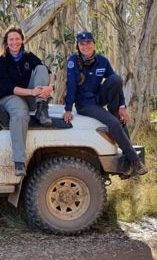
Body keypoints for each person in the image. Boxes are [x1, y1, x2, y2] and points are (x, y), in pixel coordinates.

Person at [63, 31, 148, 176]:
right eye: (82, 44)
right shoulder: (73, 61)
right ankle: (134, 160)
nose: (85, 46)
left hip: (98, 98)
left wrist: (122, 106)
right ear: (78, 46)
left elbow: (116, 84)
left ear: (94, 44)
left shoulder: (102, 61)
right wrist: (68, 109)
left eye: (88, 43)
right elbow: (71, 85)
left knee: (116, 80)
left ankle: (115, 111)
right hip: (85, 104)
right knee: (114, 122)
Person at [0, 27, 55, 177]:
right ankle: (19, 162)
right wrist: (32, 92)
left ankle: (42, 109)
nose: (14, 42)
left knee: (41, 68)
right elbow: (8, 88)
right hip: (10, 97)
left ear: (22, 40)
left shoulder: (28, 56)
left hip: (30, 96)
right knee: (21, 115)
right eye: (11, 39)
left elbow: (49, 72)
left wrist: (50, 87)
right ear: (6, 42)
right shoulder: (1, 62)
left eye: (17, 39)